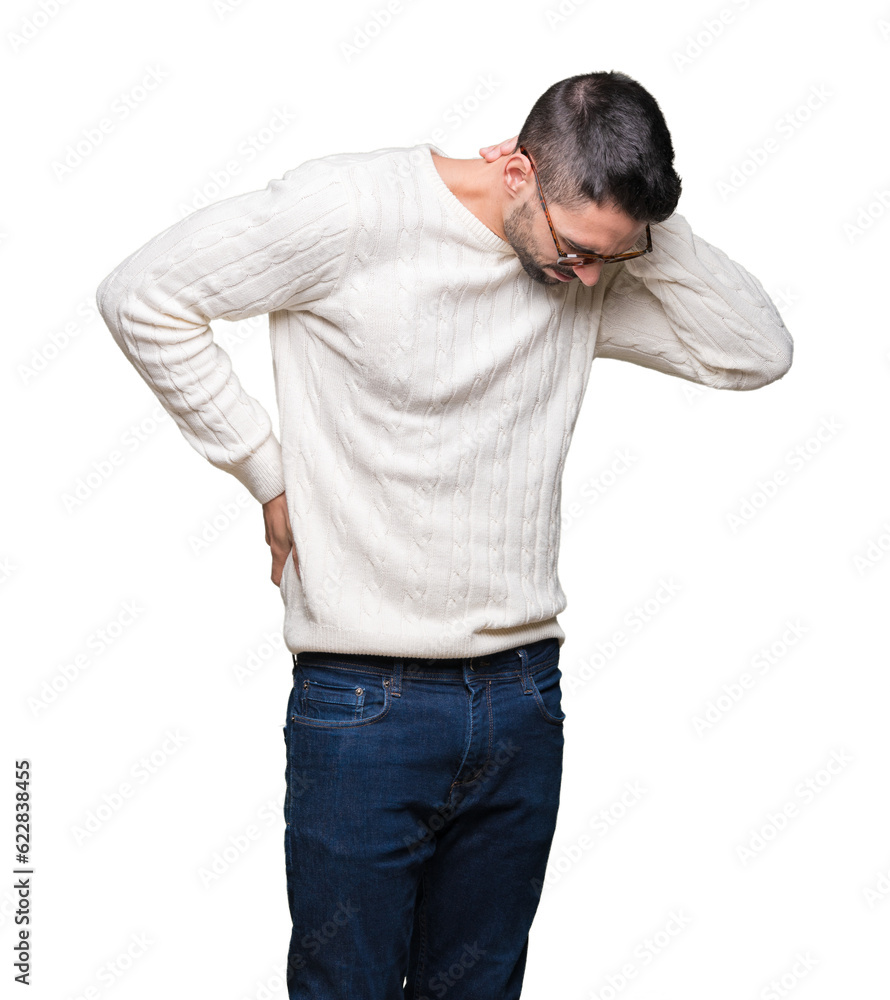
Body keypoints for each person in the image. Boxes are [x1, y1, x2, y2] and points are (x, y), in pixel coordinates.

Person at [96, 71, 792, 999]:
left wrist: (644, 235)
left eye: (610, 261)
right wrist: (262, 470)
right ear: (513, 166)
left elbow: (754, 353)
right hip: (364, 704)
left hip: (522, 698)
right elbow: (143, 295)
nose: (586, 278)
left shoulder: (580, 270)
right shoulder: (351, 211)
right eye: (579, 248)